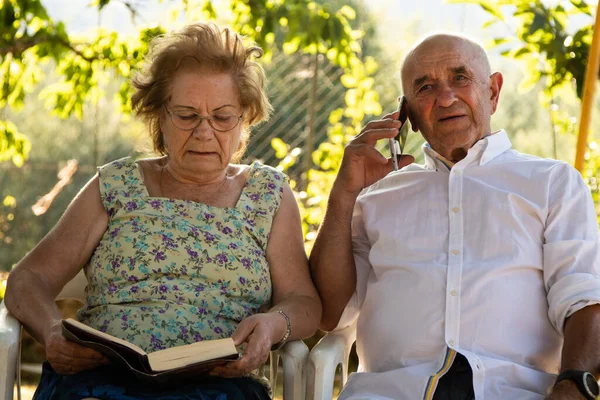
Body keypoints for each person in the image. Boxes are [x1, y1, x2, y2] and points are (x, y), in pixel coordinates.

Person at [5, 22, 321, 400]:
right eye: (187, 115)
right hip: (100, 382)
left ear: (245, 118)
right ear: (159, 114)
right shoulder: (117, 185)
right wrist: (52, 330)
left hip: (218, 386)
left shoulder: (269, 194)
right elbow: (28, 279)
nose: (205, 132)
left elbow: (305, 303)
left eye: (222, 117)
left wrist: (273, 325)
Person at [310, 32, 600, 400]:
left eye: (460, 78)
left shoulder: (552, 183)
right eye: (426, 88)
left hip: (514, 392)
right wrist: (343, 194)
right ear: (408, 116)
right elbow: (330, 314)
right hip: (390, 393)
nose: (445, 98)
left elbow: (584, 299)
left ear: (493, 92)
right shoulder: (374, 197)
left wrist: (574, 386)